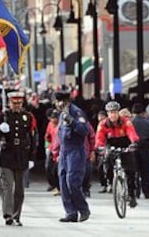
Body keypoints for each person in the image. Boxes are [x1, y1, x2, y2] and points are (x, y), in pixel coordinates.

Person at [0, 91, 37, 226]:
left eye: (19, 102)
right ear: (9, 103)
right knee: (8, 187)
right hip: (8, 154)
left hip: (21, 155)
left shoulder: (28, 117)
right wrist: (0, 130)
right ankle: (7, 214)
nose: (17, 105)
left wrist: (32, 157)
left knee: (19, 189)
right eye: (14, 103)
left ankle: (16, 215)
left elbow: (32, 138)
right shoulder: (3, 116)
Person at [95, 101, 140, 208]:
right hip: (110, 146)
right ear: (107, 114)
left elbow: (131, 133)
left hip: (125, 146)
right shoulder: (103, 124)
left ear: (118, 113)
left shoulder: (126, 122)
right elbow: (99, 137)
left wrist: (134, 143)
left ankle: (132, 195)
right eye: (110, 113)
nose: (113, 115)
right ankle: (111, 183)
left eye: (115, 112)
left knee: (131, 171)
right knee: (106, 164)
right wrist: (100, 147)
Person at [54, 90, 91, 223]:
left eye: (61, 102)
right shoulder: (61, 114)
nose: (58, 104)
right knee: (63, 182)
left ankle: (83, 209)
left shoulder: (77, 112)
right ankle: (70, 212)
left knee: (72, 182)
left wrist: (72, 122)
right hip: (64, 151)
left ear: (67, 101)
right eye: (57, 102)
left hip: (75, 150)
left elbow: (84, 130)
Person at [130, 103, 149, 199]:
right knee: (145, 172)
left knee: (134, 171)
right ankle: (146, 192)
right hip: (145, 149)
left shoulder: (130, 123)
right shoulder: (148, 123)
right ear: (142, 112)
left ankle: (136, 192)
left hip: (133, 149)